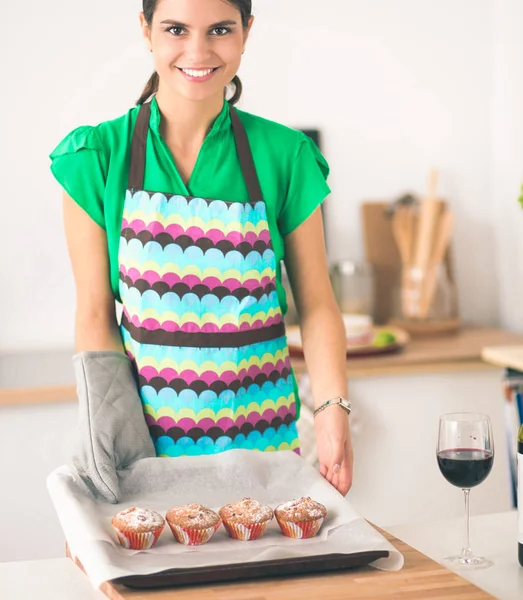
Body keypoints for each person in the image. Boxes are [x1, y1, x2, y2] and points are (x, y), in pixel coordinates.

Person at [50, 0, 353, 503]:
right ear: (146, 31)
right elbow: (95, 314)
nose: (198, 50)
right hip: (145, 452)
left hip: (267, 453)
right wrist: (107, 435)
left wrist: (332, 410)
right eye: (175, 29)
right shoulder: (97, 157)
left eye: (219, 30)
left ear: (246, 32)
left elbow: (319, 304)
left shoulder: (285, 155)